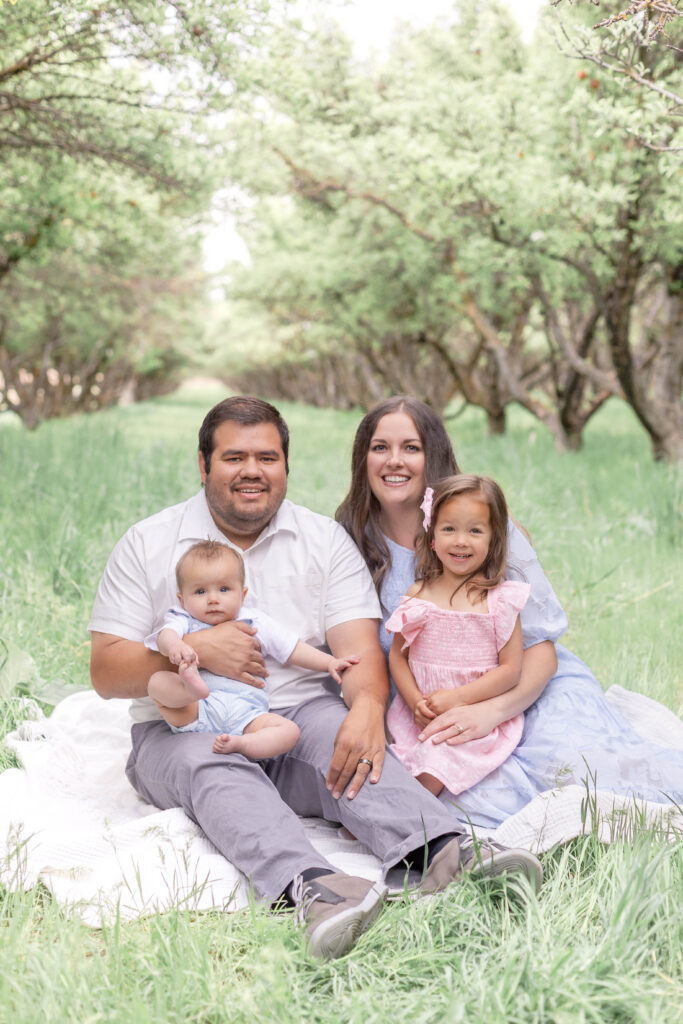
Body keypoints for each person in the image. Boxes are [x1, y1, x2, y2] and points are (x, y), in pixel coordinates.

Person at [89, 396, 542, 961]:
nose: (252, 471)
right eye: (234, 457)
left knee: (348, 739)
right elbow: (106, 670)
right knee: (212, 767)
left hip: (299, 712)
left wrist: (368, 710)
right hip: (184, 725)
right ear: (203, 465)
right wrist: (198, 651)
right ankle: (317, 892)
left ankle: (445, 851)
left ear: (285, 465)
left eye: (267, 457)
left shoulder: (324, 541)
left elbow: (358, 656)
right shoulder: (148, 542)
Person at [336, 395, 683, 830]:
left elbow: (540, 648)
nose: (394, 461)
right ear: (362, 457)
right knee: (451, 797)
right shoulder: (349, 541)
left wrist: (491, 712)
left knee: (583, 771)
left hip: (524, 688)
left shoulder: (485, 529)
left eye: (411, 447)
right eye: (380, 447)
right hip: (426, 709)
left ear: (433, 456)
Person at [147, 539, 359, 759]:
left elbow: (292, 649)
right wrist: (177, 645)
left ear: (243, 594)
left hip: (247, 715)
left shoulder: (254, 621)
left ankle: (244, 744)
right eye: (200, 591)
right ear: (182, 600)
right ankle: (191, 688)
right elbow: (165, 636)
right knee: (156, 682)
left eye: (223, 589)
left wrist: (329, 663)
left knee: (289, 731)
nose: (213, 599)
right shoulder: (183, 619)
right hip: (196, 707)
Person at [386, 475, 529, 798]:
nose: (461, 541)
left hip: (472, 719)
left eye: (475, 531)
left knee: (437, 760)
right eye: (449, 529)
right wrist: (413, 701)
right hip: (420, 716)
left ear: (494, 540)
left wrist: (458, 698)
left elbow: (511, 670)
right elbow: (398, 656)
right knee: (395, 761)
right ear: (432, 536)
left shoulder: (500, 600)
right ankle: (380, 809)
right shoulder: (419, 595)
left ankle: (406, 815)